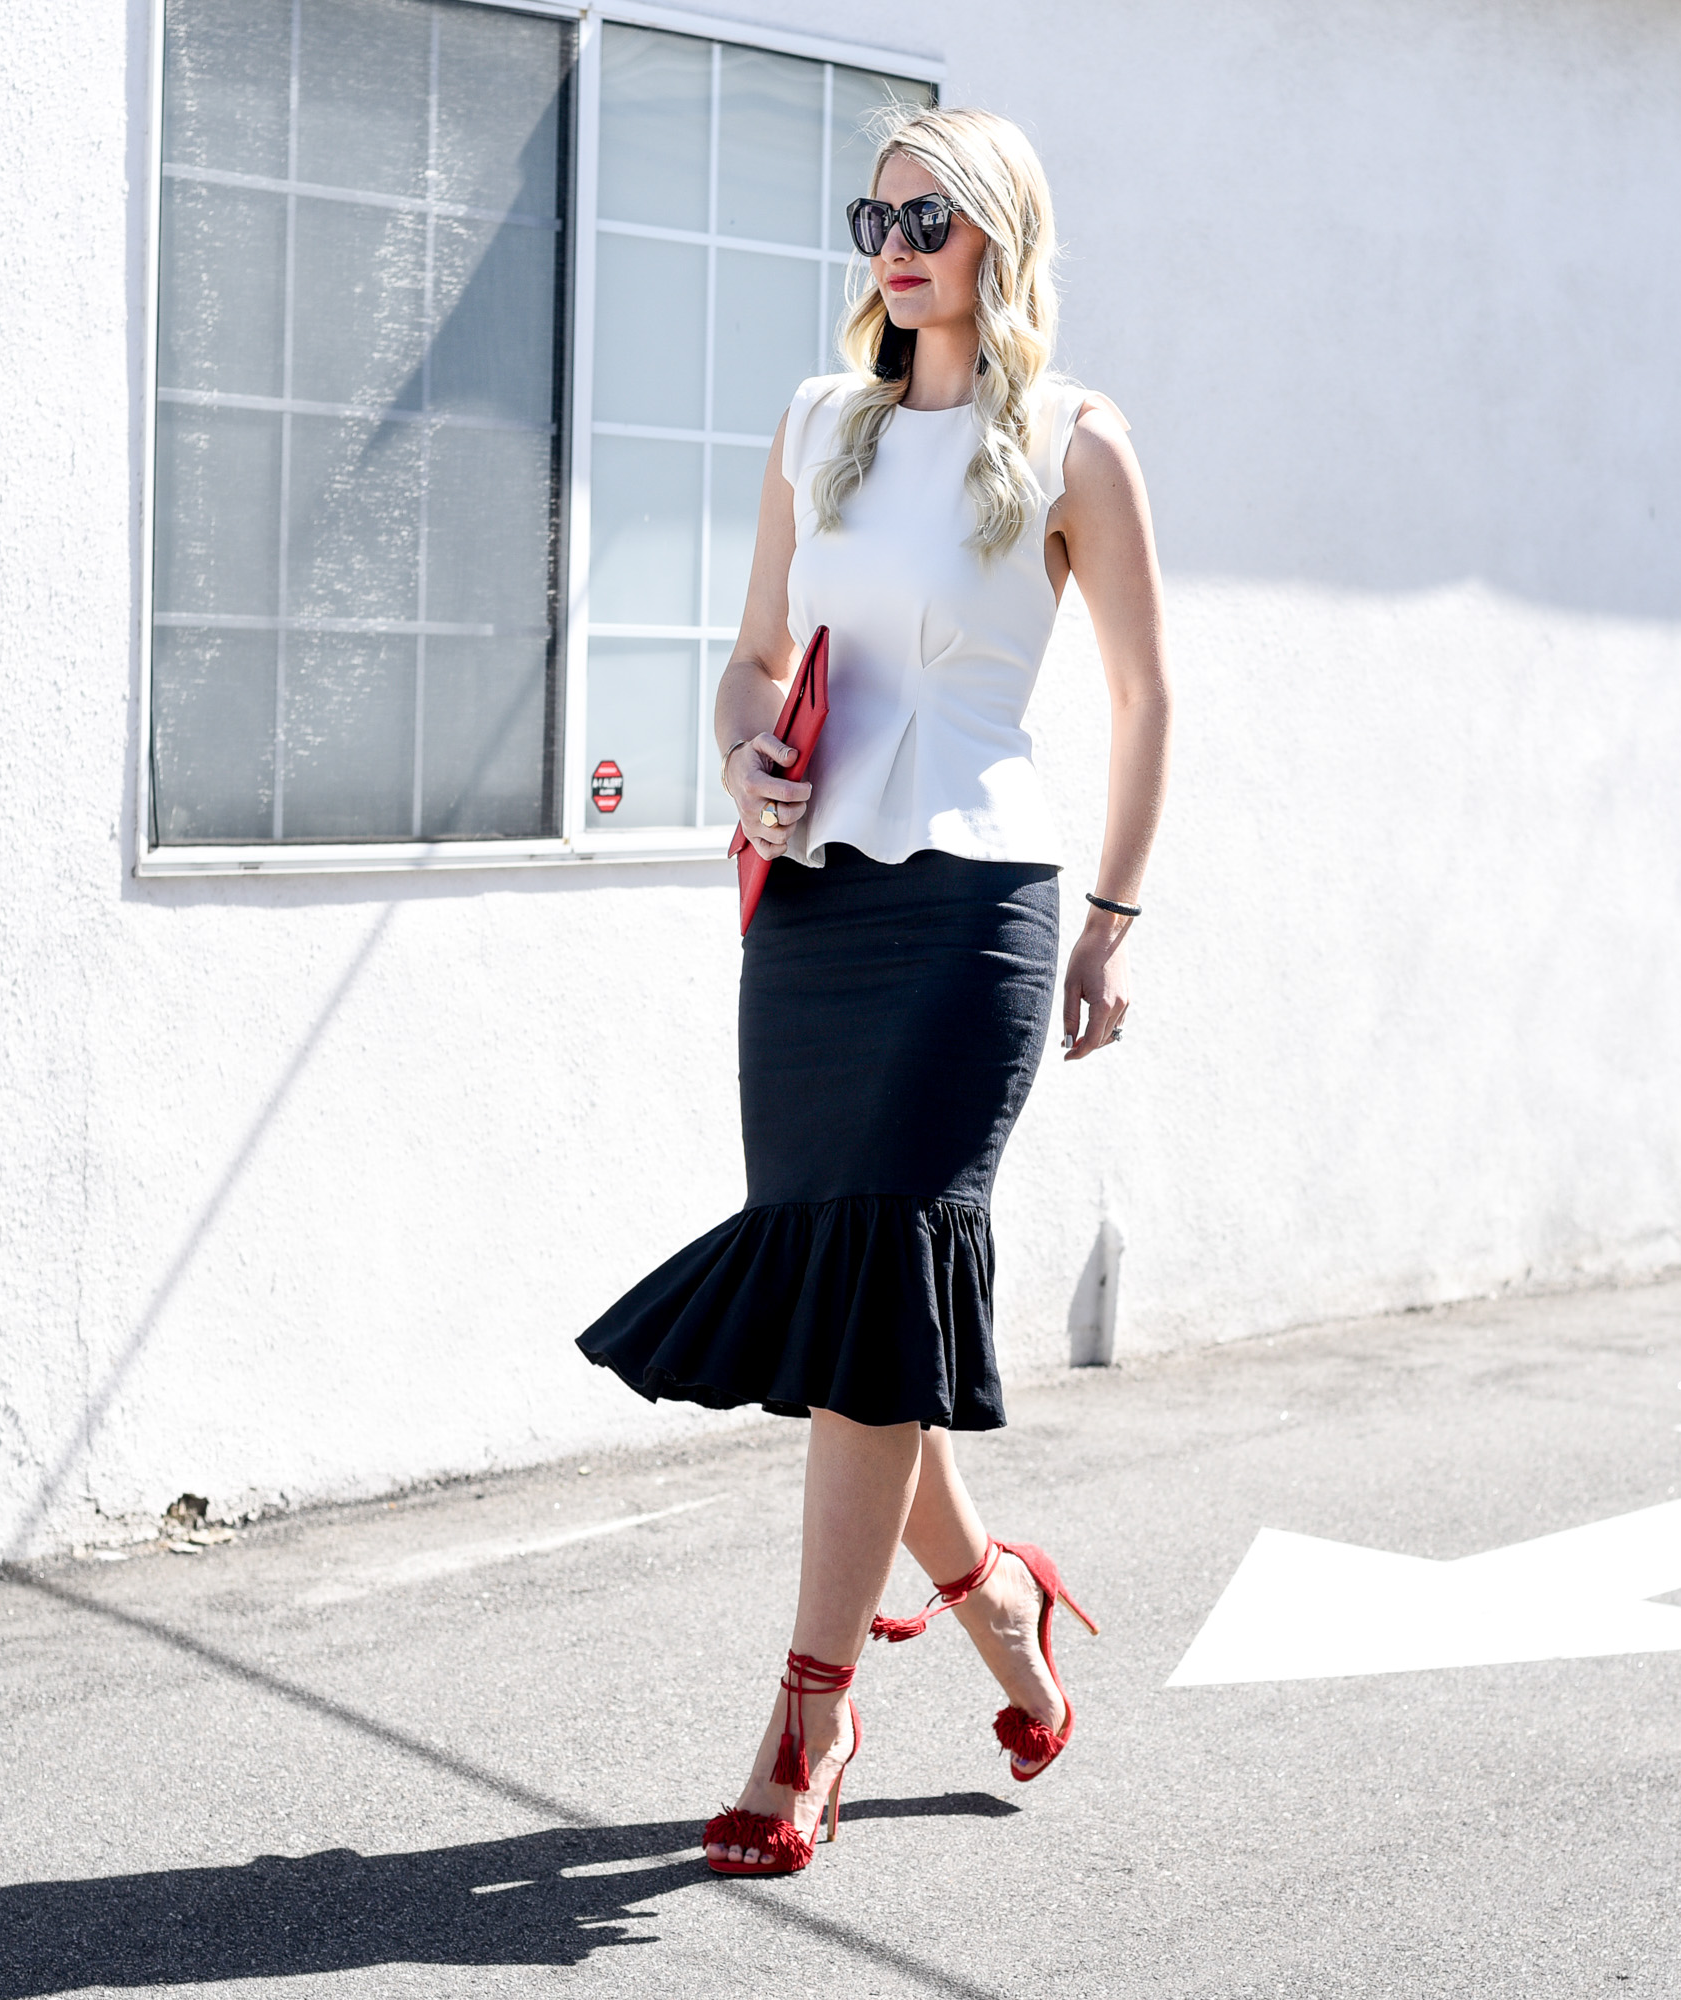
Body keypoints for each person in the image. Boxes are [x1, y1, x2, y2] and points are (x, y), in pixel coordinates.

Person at [577, 103, 1172, 1876]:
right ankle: (999, 1604)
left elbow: (1148, 703)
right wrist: (751, 750)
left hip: (977, 912)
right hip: (817, 917)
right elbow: (754, 660)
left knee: (884, 1271)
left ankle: (810, 1710)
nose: (895, 241)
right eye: (876, 213)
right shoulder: (817, 426)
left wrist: (1115, 921)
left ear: (1002, 234)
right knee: (851, 1305)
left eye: (932, 213)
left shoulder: (1073, 443)